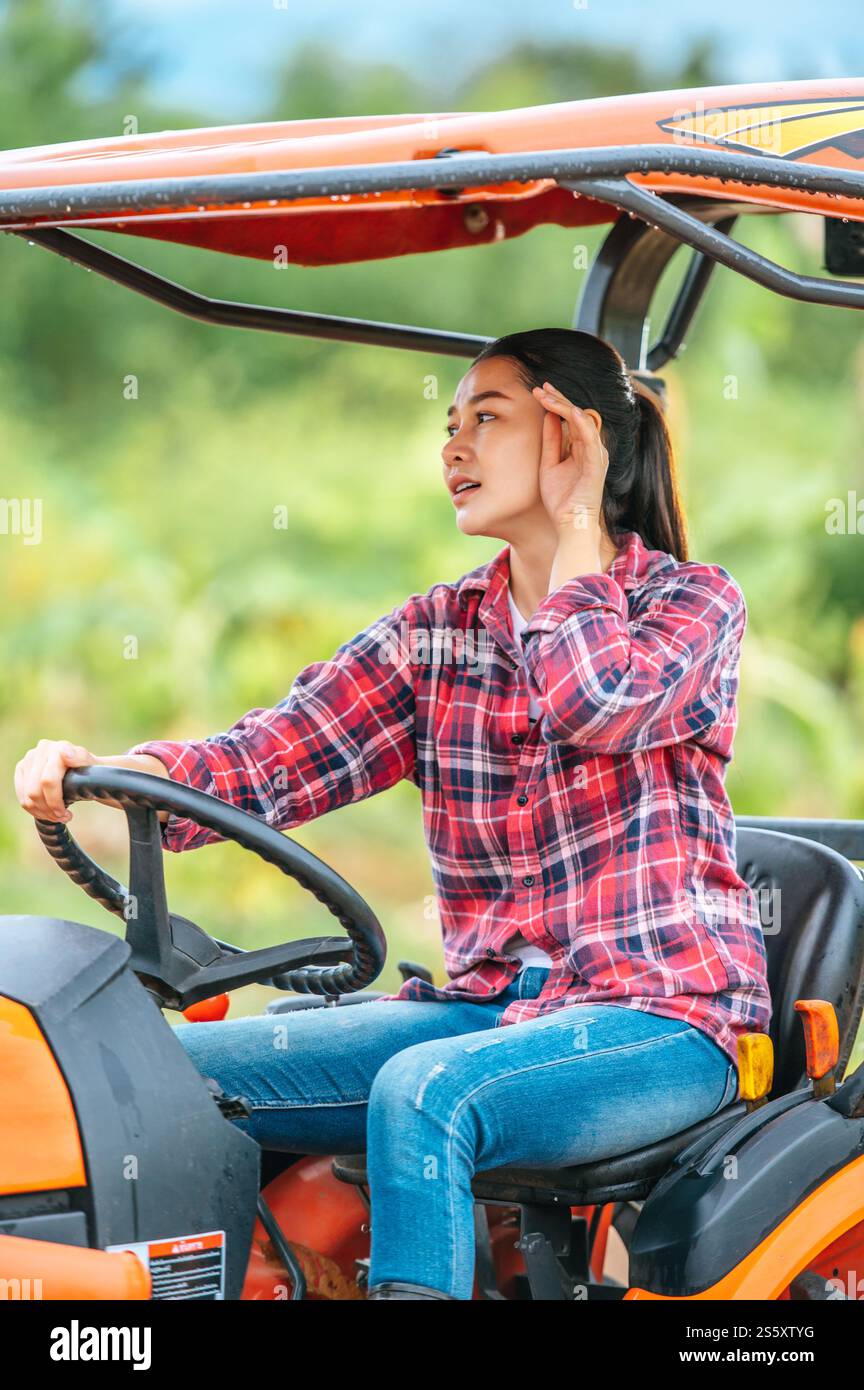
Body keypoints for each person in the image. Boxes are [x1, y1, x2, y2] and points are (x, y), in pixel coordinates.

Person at [15, 328, 771, 1301]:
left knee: (428, 1091)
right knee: (144, 1074)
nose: (452, 447)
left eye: (487, 419)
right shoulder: (435, 636)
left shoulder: (691, 605)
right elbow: (273, 757)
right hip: (488, 1008)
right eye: (447, 425)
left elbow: (595, 699)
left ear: (572, 437)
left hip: (664, 1016)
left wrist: (578, 527)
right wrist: (115, 775)